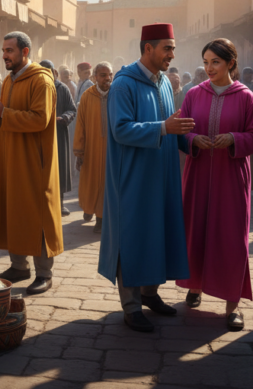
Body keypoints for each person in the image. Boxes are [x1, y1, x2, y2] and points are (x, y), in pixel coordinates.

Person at [99, 23, 191, 333]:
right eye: (167, 47)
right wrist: (164, 128)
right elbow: (120, 129)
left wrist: (191, 141)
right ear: (147, 48)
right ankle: (131, 306)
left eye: (173, 48)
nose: (172, 54)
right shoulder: (124, 84)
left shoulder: (164, 82)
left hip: (162, 175)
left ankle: (150, 295)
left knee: (158, 233)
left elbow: (171, 123)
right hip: (134, 178)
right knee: (133, 237)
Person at [178, 39, 253, 331]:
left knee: (231, 238)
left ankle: (232, 305)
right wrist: (192, 140)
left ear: (230, 63)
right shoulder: (193, 95)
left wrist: (234, 139)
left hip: (231, 177)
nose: (209, 68)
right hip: (198, 174)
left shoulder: (246, 97)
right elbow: (181, 130)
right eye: (205, 62)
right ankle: (195, 285)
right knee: (196, 231)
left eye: (215, 62)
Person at [0, 31, 63, 295]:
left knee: (37, 213)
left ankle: (44, 273)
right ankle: (19, 266)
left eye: (9, 50)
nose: (4, 55)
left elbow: (40, 119)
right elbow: (5, 116)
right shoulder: (8, 80)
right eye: (3, 50)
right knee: (14, 209)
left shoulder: (41, 81)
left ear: (25, 52)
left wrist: (2, 112)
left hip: (35, 161)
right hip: (11, 156)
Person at [74, 62, 112, 233]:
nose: (107, 78)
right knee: (91, 183)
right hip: (91, 150)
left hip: (112, 150)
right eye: (103, 75)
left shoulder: (117, 94)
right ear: (95, 77)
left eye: (109, 74)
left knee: (108, 185)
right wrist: (79, 151)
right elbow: (80, 125)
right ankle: (90, 210)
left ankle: (101, 219)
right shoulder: (87, 97)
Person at [41, 60, 77, 217]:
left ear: (54, 72)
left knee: (59, 169)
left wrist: (63, 118)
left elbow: (72, 109)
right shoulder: (35, 87)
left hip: (58, 134)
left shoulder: (62, 89)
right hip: (39, 135)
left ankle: (60, 204)